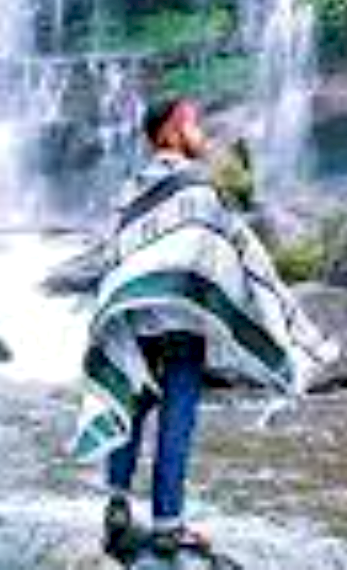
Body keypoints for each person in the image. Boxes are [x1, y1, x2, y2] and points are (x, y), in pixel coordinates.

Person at [74, 98, 336, 562]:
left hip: (135, 324)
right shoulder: (197, 187)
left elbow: (115, 260)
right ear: (171, 131)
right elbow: (235, 255)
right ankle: (168, 527)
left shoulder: (129, 190)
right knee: (177, 424)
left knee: (129, 407)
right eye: (194, 125)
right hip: (182, 327)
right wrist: (283, 318)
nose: (203, 135)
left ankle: (116, 506)